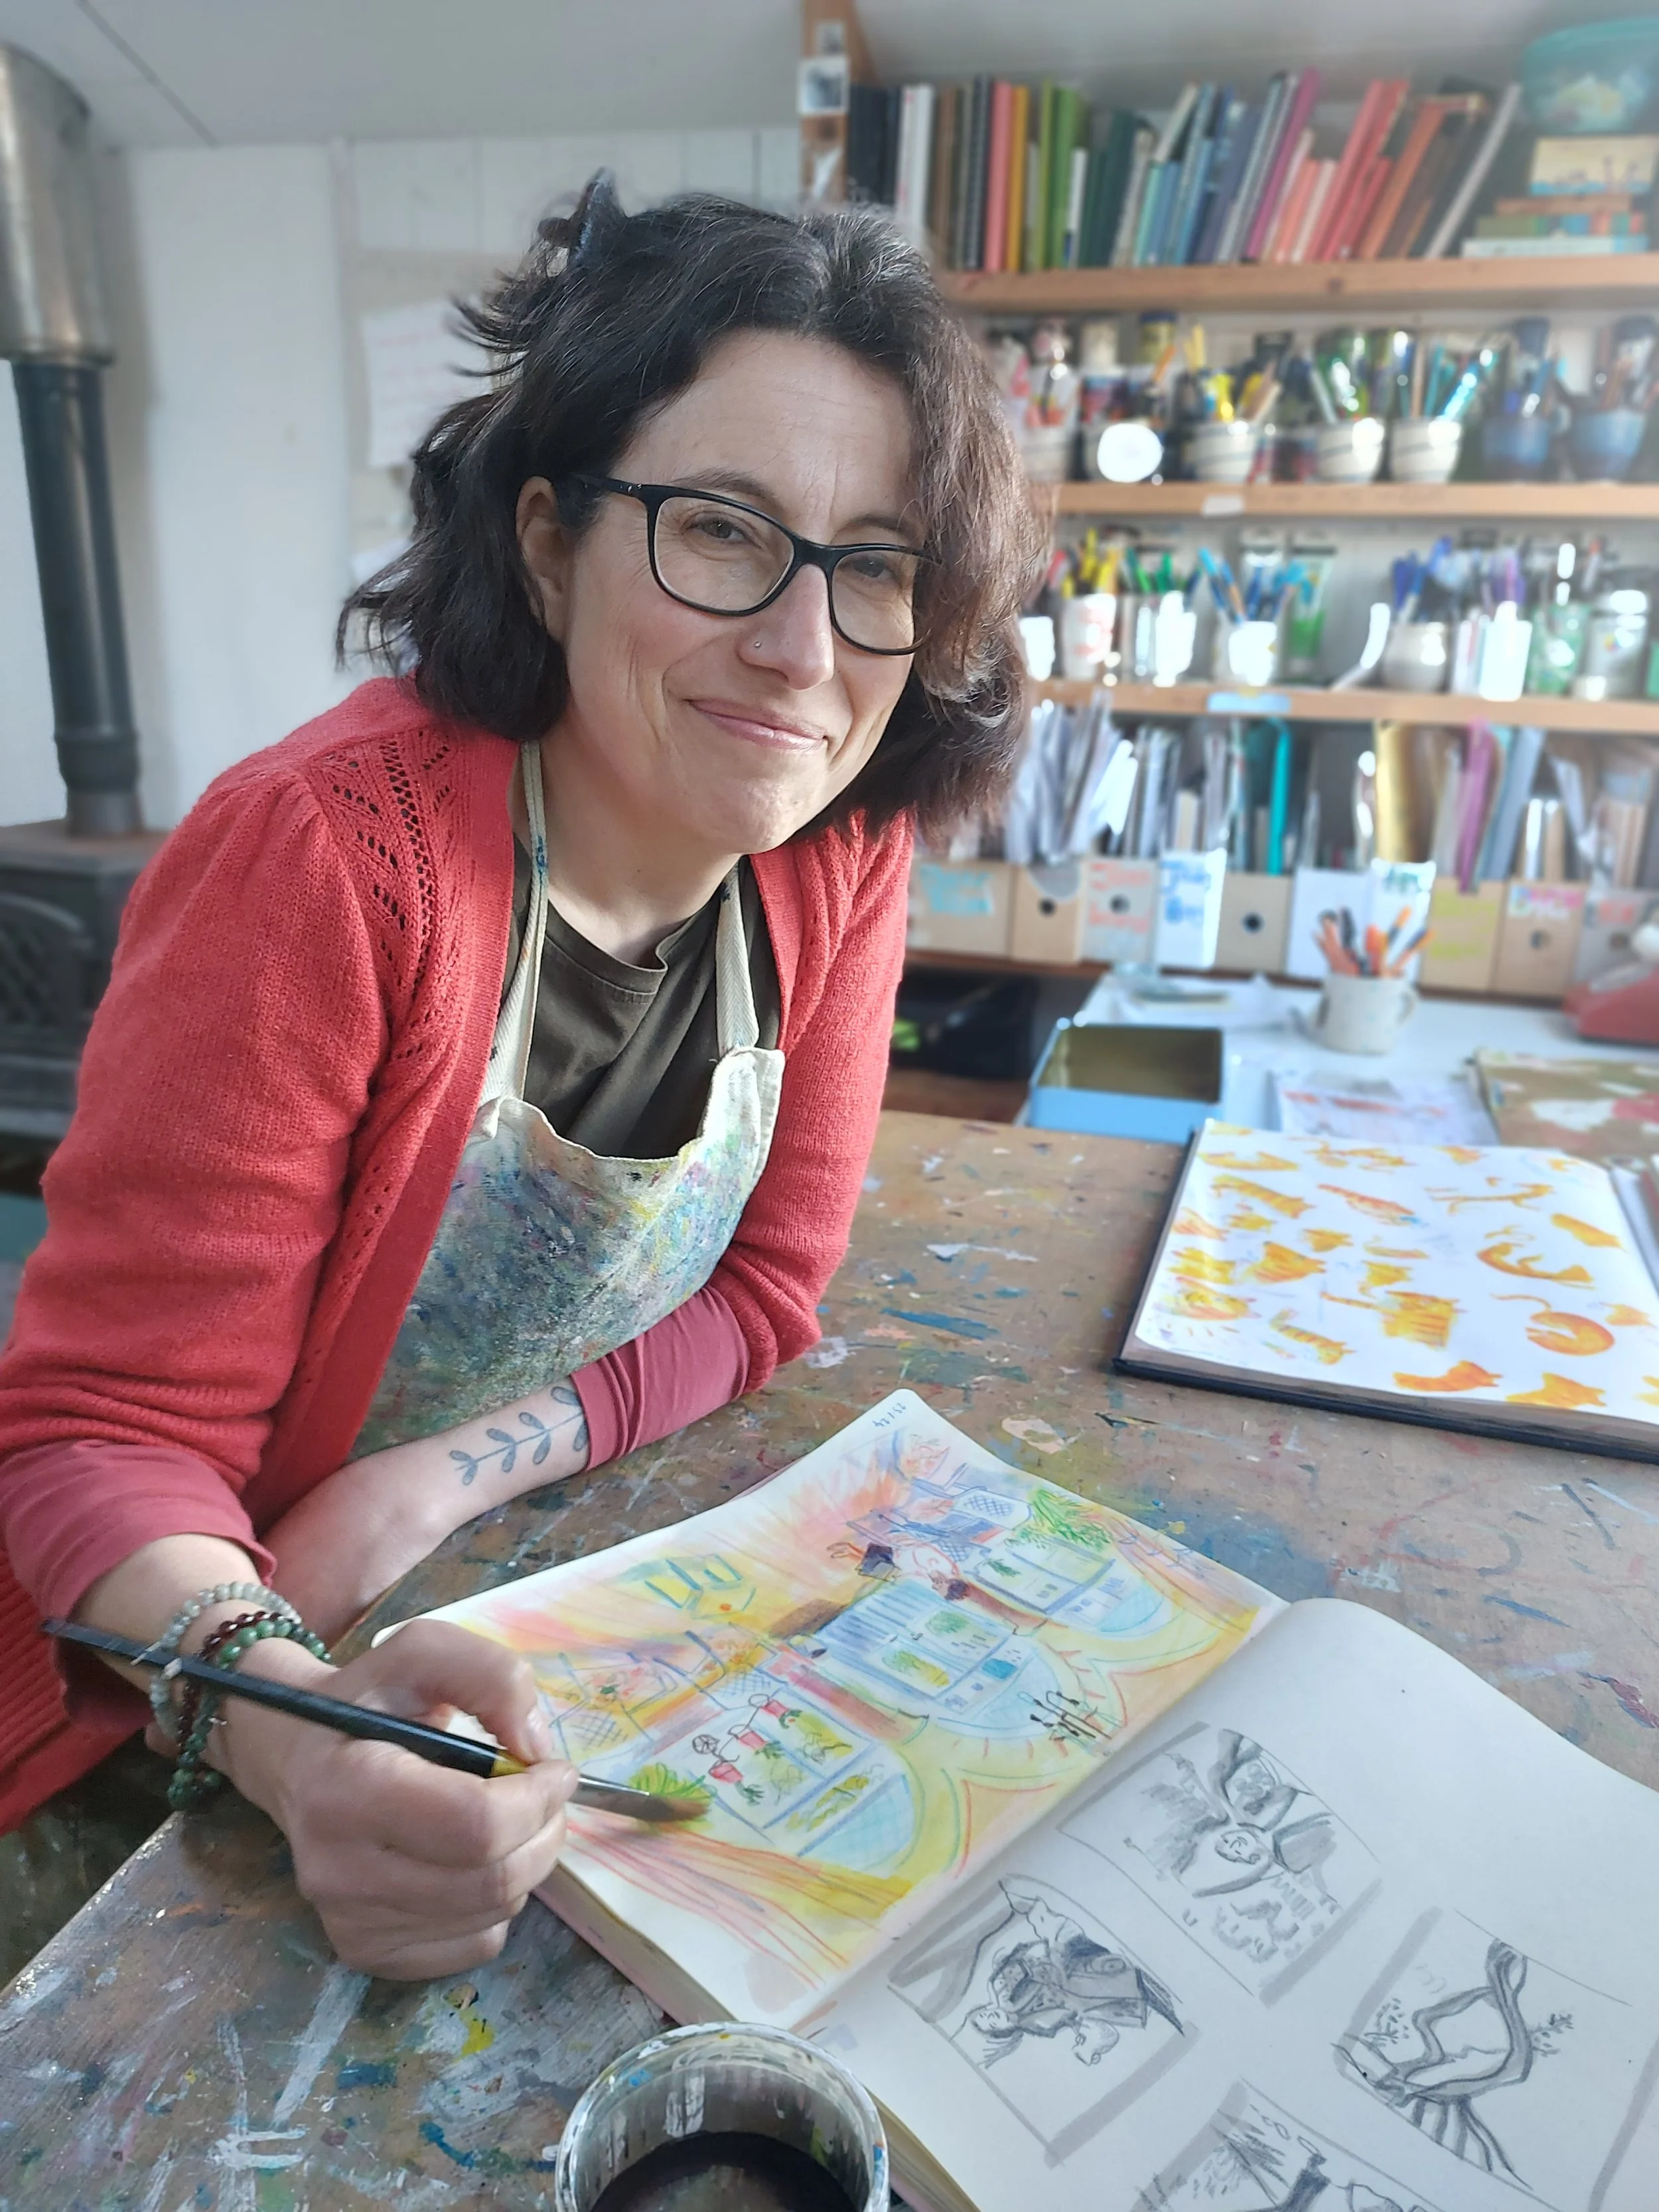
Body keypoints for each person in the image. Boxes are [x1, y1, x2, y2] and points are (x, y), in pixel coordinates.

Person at [0, 175, 1040, 1979]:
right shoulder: (323, 862)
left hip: (487, 1595)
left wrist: (437, 1480)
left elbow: (769, 1290)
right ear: (550, 542)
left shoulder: (836, 849)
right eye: (722, 530)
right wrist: (283, 1716)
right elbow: (92, 1438)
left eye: (873, 562)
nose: (801, 650)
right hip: (132, 1688)